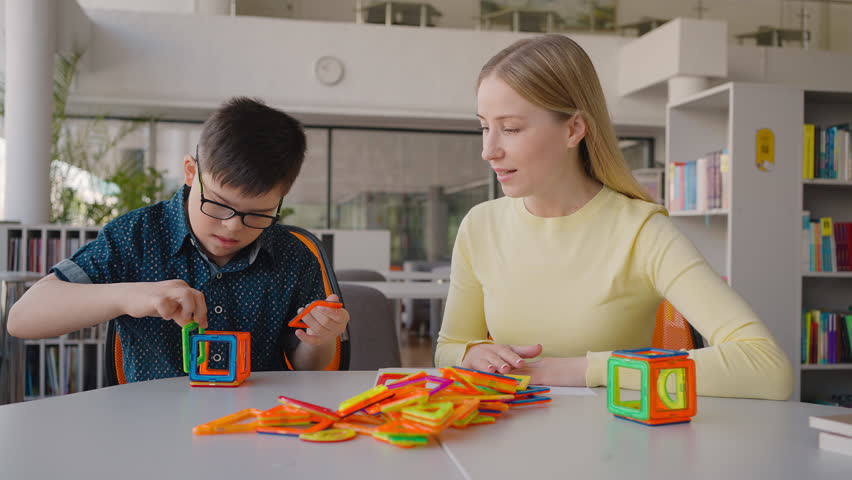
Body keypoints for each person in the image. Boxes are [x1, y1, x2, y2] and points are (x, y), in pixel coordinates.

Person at [434, 35, 793, 400]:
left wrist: (576, 369)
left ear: (574, 129)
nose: (488, 150)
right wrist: (471, 353)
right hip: (501, 443)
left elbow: (765, 366)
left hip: (614, 446)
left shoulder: (642, 231)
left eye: (510, 128)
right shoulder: (479, 225)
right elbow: (450, 347)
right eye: (484, 126)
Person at [7, 97, 349, 382]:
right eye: (218, 204)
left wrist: (320, 339)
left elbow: (311, 367)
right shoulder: (135, 236)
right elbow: (22, 319)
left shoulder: (293, 254)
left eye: (257, 214)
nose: (232, 227)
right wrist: (130, 295)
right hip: (152, 431)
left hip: (261, 428)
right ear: (190, 172)